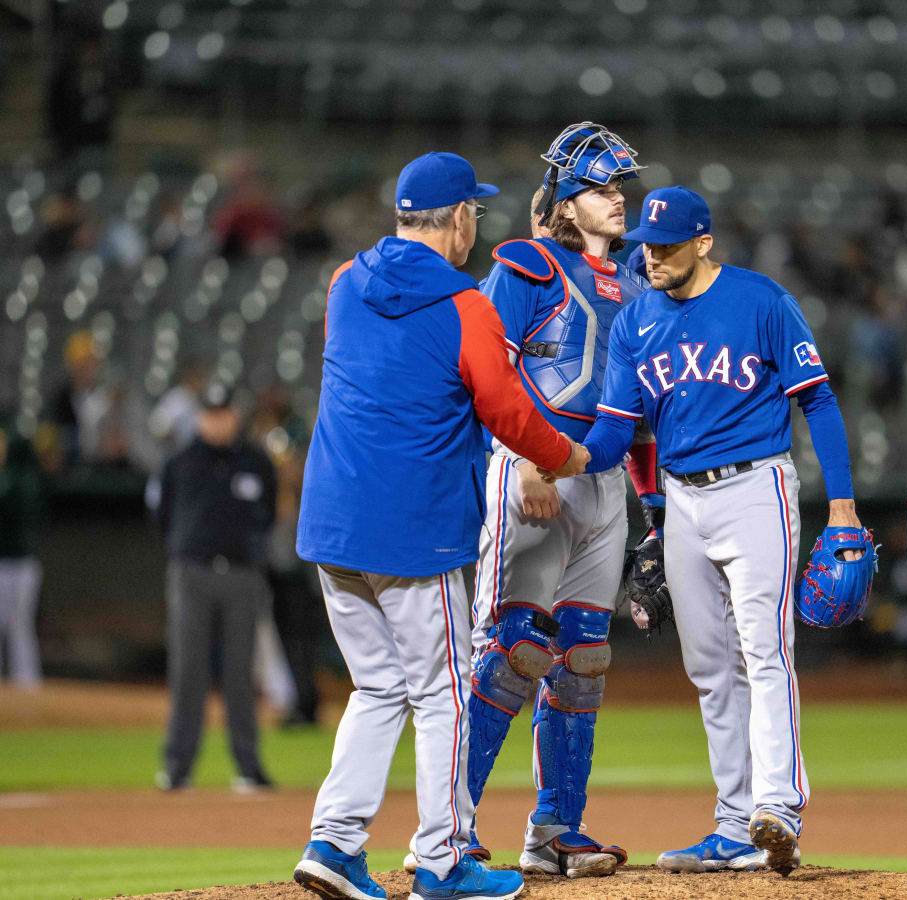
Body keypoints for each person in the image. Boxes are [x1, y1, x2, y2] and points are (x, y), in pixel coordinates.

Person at [292, 151, 589, 900]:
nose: (475, 227)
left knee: (378, 687)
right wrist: (569, 454)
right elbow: (510, 413)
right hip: (412, 530)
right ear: (458, 218)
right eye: (474, 214)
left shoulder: (344, 283)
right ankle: (444, 860)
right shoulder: (466, 304)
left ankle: (334, 840)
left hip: (333, 523)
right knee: (445, 692)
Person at [577, 186, 864, 875]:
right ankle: (736, 826)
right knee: (708, 666)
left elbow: (818, 401)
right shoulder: (634, 321)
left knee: (763, 647)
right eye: (645, 244)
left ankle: (779, 806)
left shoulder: (763, 301)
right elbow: (617, 431)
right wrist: (561, 459)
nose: (651, 257)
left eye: (666, 247)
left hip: (756, 485)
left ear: (703, 243)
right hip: (681, 501)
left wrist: (846, 506)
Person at [464, 122, 659, 879]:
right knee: (516, 651)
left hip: (603, 483)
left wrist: (657, 514)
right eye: (604, 188)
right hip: (532, 473)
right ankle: (452, 827)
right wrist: (518, 463)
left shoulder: (642, 288)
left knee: (582, 657)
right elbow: (489, 373)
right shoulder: (525, 267)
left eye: (621, 189)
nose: (619, 200)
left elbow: (639, 418)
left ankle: (555, 832)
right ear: (566, 201)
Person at [154, 383, 276, 793]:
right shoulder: (179, 462)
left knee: (241, 672)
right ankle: (177, 767)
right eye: (211, 413)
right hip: (193, 573)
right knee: (188, 671)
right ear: (200, 416)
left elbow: (269, 514)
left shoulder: (256, 462)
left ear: (234, 416)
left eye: (224, 413)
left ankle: (248, 766)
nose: (218, 420)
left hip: (243, 575)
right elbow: (161, 517)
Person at [0, 418, 45, 687]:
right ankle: (27, 684)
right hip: (26, 566)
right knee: (20, 629)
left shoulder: (13, 482)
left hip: (9, 566)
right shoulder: (34, 481)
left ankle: (26, 685)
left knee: (15, 628)